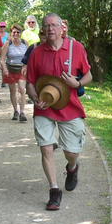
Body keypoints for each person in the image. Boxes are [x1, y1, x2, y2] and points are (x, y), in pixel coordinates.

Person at [25, 13, 92, 211]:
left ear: (62, 28)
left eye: (54, 25)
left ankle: (72, 167)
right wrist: (34, 97)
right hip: (44, 106)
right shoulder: (36, 52)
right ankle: (54, 191)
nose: (50, 29)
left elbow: (89, 74)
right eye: (47, 26)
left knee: (71, 152)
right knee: (46, 147)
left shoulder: (75, 48)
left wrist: (77, 83)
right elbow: (30, 82)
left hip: (69, 107)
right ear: (43, 29)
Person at [0, 23, 29, 121]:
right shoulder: (8, 44)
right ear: (11, 33)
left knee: (22, 89)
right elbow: (2, 59)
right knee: (12, 91)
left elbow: (29, 58)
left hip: (22, 70)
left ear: (20, 33)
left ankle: (22, 112)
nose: (16, 34)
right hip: (10, 69)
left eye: (18, 32)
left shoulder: (25, 43)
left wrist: (26, 67)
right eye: (14, 32)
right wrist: (4, 69)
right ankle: (15, 111)